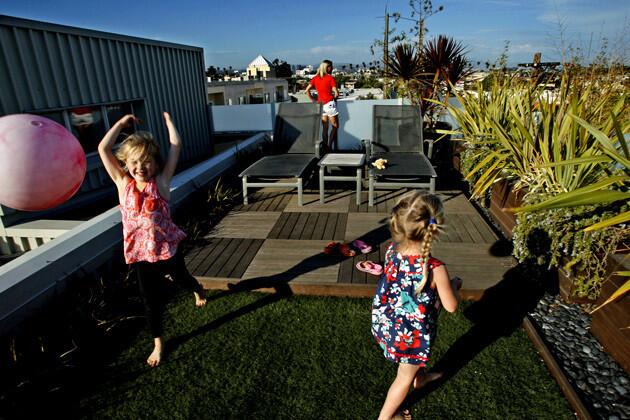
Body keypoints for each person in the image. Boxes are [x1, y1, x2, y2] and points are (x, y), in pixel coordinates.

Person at [97, 112, 206, 367]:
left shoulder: (162, 182)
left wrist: (169, 124)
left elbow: (176, 147)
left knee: (182, 277)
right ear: (126, 164)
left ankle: (196, 288)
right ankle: (158, 343)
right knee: (150, 299)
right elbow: (103, 148)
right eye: (134, 162)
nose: (140, 167)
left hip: (166, 248)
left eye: (146, 162)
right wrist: (121, 124)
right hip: (140, 255)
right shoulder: (122, 183)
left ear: (156, 164)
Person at [371, 191, 460, 420]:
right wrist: (453, 285)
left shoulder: (392, 250)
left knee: (411, 370)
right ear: (435, 227)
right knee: (403, 377)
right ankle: (385, 417)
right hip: (411, 336)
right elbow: (451, 306)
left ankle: (421, 380)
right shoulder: (434, 267)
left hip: (389, 322)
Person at [305, 59, 340, 151]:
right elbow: (336, 93)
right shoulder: (330, 78)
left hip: (320, 105)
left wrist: (313, 100)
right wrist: (334, 98)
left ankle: (325, 148)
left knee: (325, 127)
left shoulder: (315, 78)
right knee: (335, 126)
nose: (332, 68)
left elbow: (306, 90)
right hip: (329, 104)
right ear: (327, 68)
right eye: (331, 66)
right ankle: (329, 146)